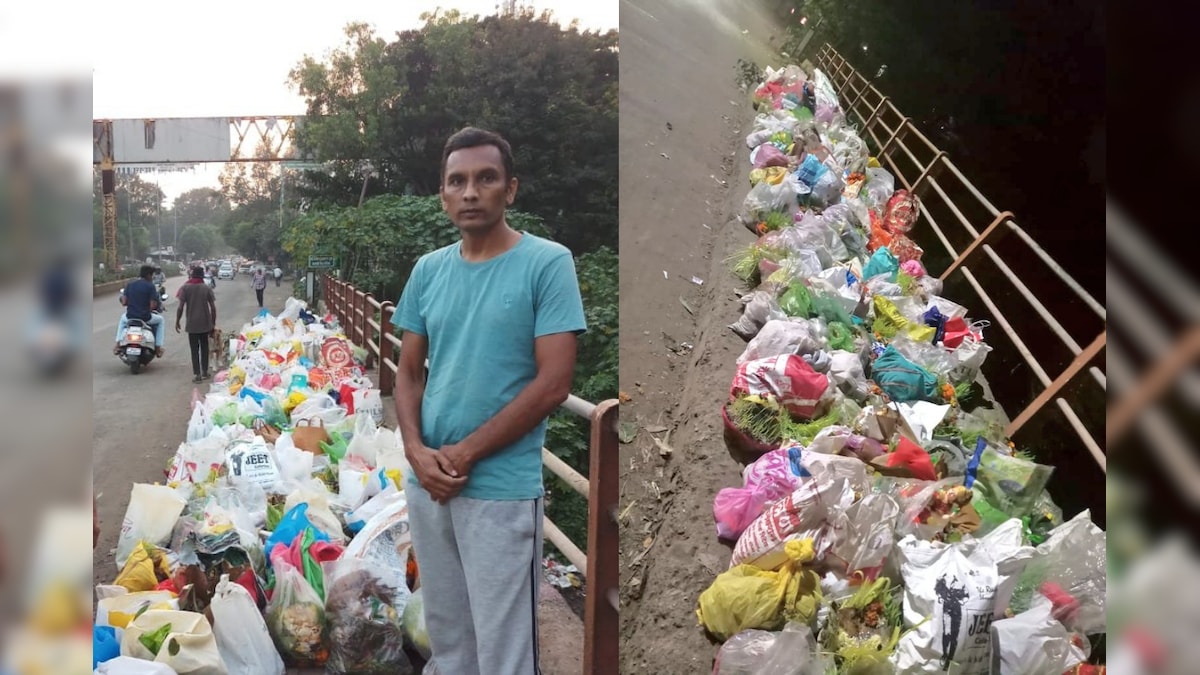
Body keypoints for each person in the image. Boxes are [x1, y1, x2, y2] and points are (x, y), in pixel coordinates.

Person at [392, 127, 586, 675]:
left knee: (505, 652)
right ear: (443, 195)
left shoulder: (547, 264)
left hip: (500, 492)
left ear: (511, 189)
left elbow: (554, 384)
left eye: (485, 178)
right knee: (449, 639)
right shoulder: (429, 270)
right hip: (429, 483)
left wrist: (465, 453)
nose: (470, 191)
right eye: (458, 181)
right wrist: (415, 450)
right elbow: (407, 374)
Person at [176, 266, 217, 382]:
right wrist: (213, 323)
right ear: (202, 276)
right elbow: (213, 308)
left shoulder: (185, 288)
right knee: (205, 347)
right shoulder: (206, 288)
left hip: (192, 324)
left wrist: (177, 320)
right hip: (205, 323)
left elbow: (180, 307)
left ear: (192, 275)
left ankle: (197, 375)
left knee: (194, 350)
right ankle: (205, 372)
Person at [114, 265, 165, 357]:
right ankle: (157, 348)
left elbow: (124, 302)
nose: (153, 277)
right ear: (148, 275)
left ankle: (117, 345)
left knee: (122, 319)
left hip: (130, 316)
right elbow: (153, 305)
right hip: (145, 317)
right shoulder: (150, 286)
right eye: (152, 274)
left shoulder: (130, 284)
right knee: (160, 320)